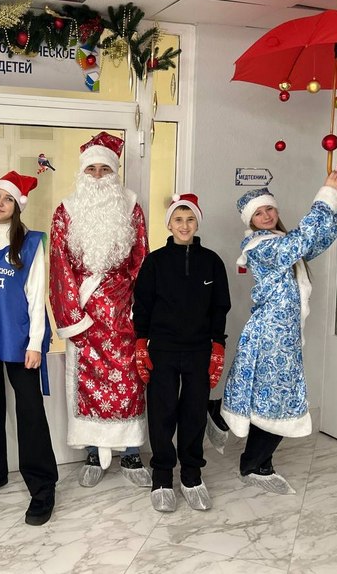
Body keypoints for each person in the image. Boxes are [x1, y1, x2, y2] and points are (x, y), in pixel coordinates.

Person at [222, 171, 337, 494]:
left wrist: (335, 202)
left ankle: (254, 459)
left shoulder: (282, 240)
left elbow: (319, 238)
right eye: (258, 213)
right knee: (279, 400)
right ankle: (254, 462)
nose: (266, 216)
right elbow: (299, 241)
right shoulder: (260, 246)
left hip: (284, 334)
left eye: (269, 209)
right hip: (269, 336)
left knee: (273, 400)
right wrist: (324, 196)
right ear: (250, 221)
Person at [49, 132, 151, 487]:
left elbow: (141, 260)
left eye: (104, 169)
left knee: (130, 382)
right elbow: (59, 266)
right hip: (85, 315)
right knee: (87, 384)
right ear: (82, 172)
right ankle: (93, 453)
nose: (96, 175)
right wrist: (72, 319)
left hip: (125, 314)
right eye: (90, 169)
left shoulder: (131, 207)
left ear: (114, 173)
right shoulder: (66, 210)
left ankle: (132, 453)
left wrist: (140, 310)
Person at [0, 171, 58, 526]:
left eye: (7, 198)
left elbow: (36, 296)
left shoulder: (31, 242)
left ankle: (43, 486)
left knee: (30, 411)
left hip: (18, 339)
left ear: (18, 205)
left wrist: (35, 343)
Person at [132, 194, 231, 512]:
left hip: (199, 350)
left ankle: (191, 476)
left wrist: (218, 345)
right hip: (162, 349)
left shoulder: (212, 261)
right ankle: (162, 478)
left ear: (197, 223)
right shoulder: (155, 262)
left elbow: (220, 307)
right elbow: (142, 305)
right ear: (170, 225)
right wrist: (141, 342)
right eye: (178, 220)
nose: (184, 225)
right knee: (162, 415)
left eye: (190, 220)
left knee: (193, 414)